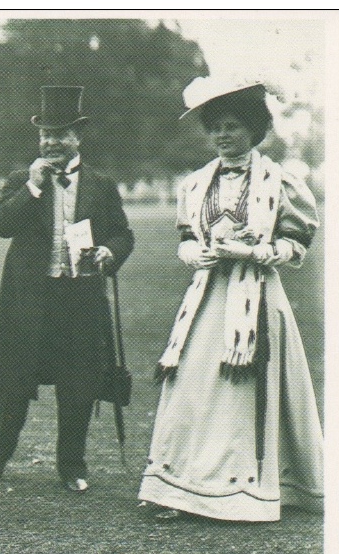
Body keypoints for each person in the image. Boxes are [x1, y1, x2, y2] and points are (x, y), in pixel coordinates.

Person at [138, 77, 324, 522]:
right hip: (207, 297)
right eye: (216, 127)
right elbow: (186, 236)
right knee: (188, 384)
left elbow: (297, 244)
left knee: (240, 389)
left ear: (254, 130)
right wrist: (193, 252)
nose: (223, 135)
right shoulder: (197, 183)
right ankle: (180, 486)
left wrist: (256, 251)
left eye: (234, 127)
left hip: (257, 296)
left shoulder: (280, 181)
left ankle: (241, 490)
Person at [0, 86, 134, 493]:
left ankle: (71, 465)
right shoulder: (21, 179)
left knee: (78, 384)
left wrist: (109, 251)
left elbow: (123, 235)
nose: (51, 142)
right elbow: (2, 226)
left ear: (77, 137)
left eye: (60, 134)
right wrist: (32, 187)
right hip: (28, 299)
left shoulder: (101, 185)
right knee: (14, 383)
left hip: (79, 298)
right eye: (45, 134)